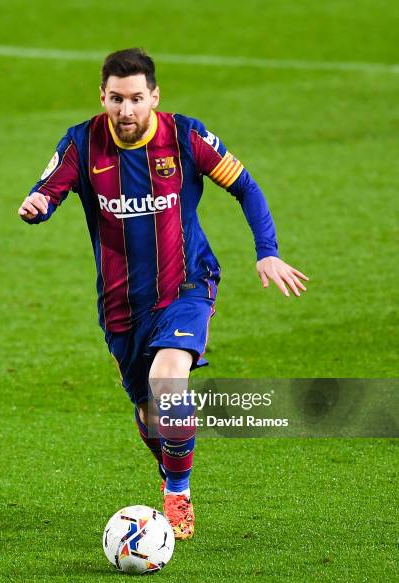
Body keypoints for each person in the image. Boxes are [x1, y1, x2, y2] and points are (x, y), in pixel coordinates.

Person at [18, 48, 308, 540]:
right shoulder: (82, 142)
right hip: (121, 305)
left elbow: (246, 187)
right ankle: (170, 469)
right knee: (150, 412)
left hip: (186, 284)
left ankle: (178, 491)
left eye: (135, 98)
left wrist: (267, 251)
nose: (126, 111)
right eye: (116, 99)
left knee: (168, 382)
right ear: (103, 97)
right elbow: (49, 189)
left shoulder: (185, 136)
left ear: (154, 95)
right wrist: (39, 205)